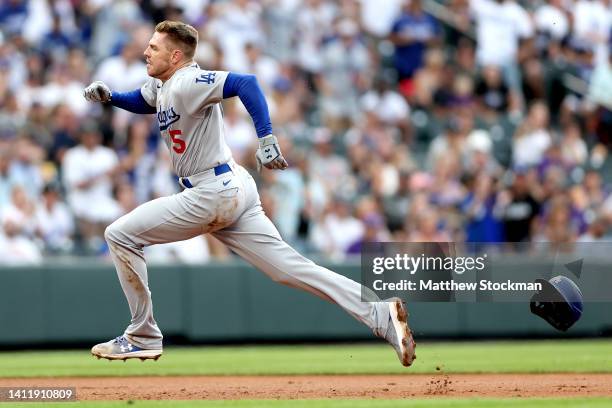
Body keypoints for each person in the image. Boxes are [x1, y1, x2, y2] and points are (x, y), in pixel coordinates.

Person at [83, 20, 415, 367]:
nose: (145, 51)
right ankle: (379, 314)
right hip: (231, 187)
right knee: (290, 269)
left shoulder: (187, 80)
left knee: (119, 234)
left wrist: (267, 138)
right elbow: (145, 99)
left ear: (176, 55)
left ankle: (142, 336)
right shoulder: (164, 83)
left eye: (154, 47)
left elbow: (246, 82)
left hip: (210, 192)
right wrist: (112, 98)